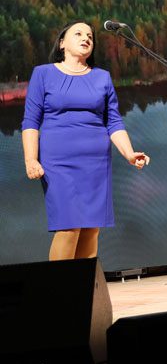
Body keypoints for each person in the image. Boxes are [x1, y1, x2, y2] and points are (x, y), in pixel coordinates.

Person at [21, 21, 150, 261]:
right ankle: (58, 294)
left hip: (96, 162)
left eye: (90, 35)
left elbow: (113, 122)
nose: (86, 38)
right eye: (78, 33)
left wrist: (129, 153)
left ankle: (84, 294)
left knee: (91, 229)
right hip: (58, 162)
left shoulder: (102, 77)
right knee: (69, 227)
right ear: (62, 43)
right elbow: (30, 121)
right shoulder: (43, 74)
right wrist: (30, 159)